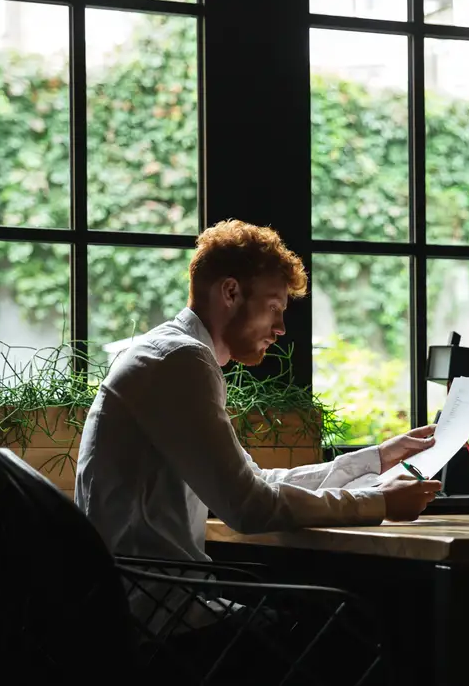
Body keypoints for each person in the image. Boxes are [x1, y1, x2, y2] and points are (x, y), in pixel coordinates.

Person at [75, 218, 443, 566]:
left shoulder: (173, 353)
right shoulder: (180, 361)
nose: (281, 328)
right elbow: (248, 506)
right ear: (231, 292)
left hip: (147, 600)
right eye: (273, 308)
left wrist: (375, 459)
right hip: (160, 612)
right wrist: (377, 501)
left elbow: (255, 484)